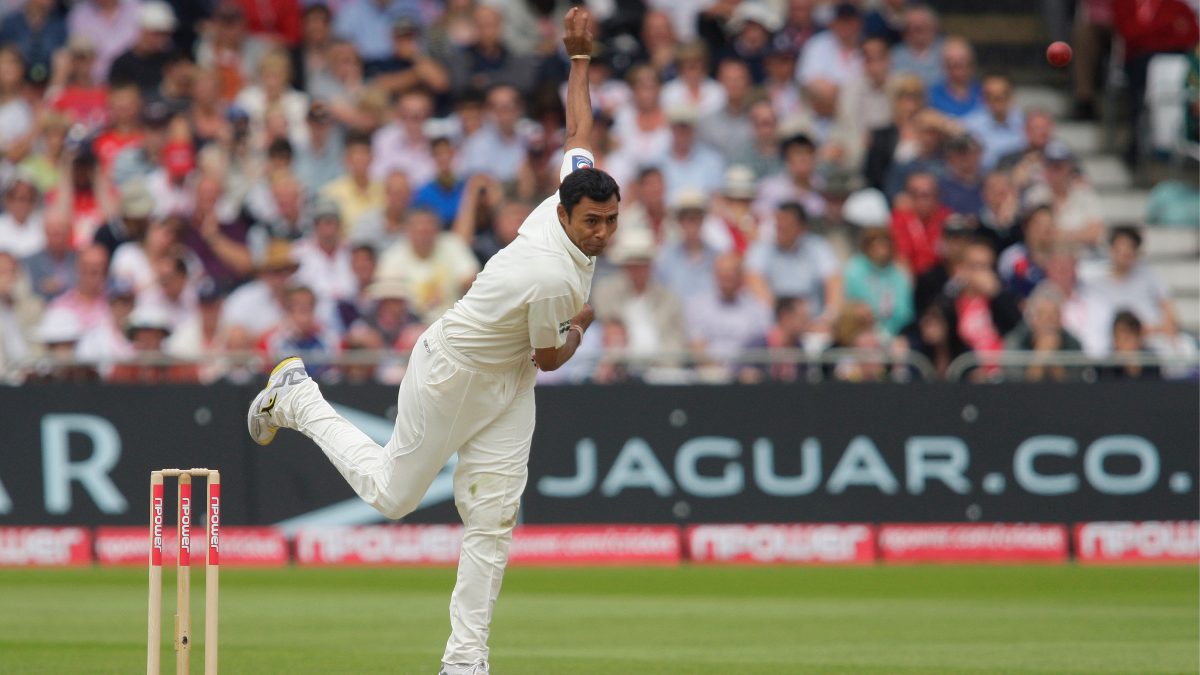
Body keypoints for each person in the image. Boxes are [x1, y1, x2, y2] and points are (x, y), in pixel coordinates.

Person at [246, 11, 618, 674]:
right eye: (593, 222)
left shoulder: (570, 192)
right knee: (393, 496)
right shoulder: (550, 275)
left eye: (611, 220)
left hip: (506, 384)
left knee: (493, 519)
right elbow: (551, 354)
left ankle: (465, 661)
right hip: (453, 369)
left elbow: (579, 129)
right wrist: (586, 322)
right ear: (564, 212)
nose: (603, 233)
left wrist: (580, 58)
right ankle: (299, 397)